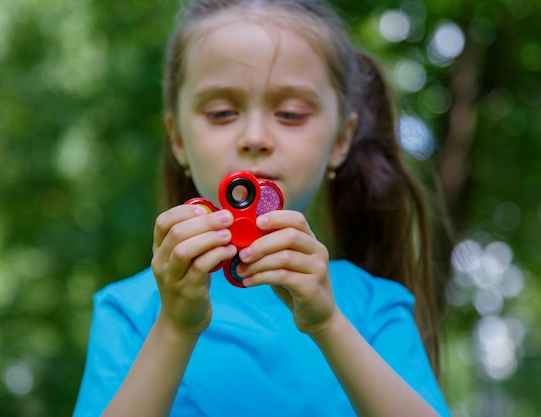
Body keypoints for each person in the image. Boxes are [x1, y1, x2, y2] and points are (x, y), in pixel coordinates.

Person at [72, 0, 453, 416]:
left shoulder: (373, 307)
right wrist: (175, 327)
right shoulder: (130, 312)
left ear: (341, 141)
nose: (255, 137)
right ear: (177, 138)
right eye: (221, 113)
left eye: (290, 114)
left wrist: (328, 324)